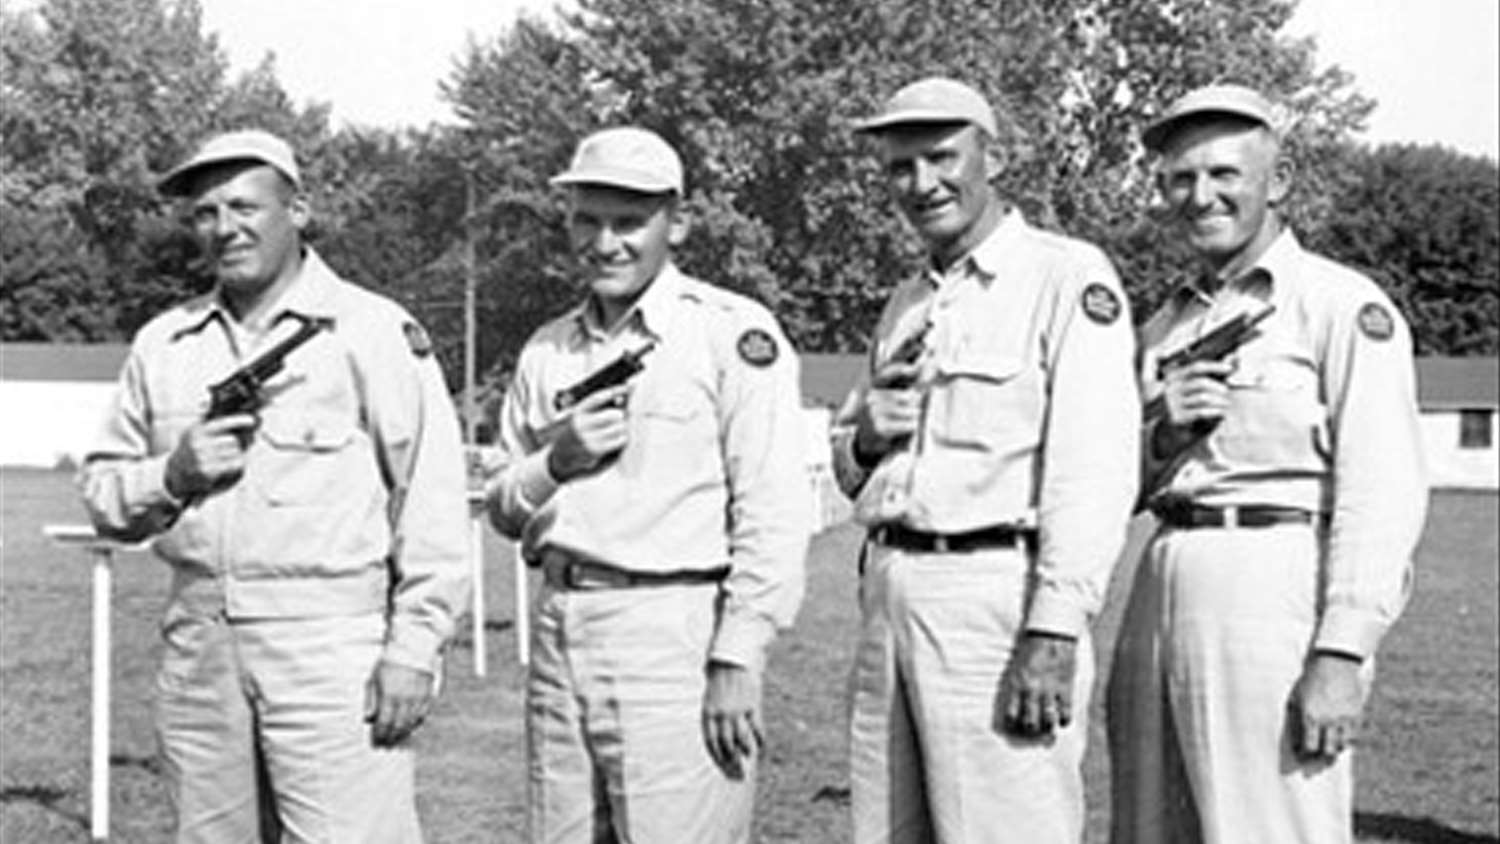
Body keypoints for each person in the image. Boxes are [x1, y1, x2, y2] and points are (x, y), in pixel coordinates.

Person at [80, 128, 472, 843]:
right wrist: (172, 474)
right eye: (205, 213)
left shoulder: (372, 330)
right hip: (200, 645)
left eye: (244, 206)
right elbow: (103, 494)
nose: (224, 228)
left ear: (298, 210)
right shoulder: (166, 344)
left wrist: (414, 649)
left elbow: (433, 500)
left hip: (330, 646)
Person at [1108, 84, 1428, 844]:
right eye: (1181, 179)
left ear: (1277, 181)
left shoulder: (1340, 306)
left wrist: (1341, 652)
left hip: (1275, 584)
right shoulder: (1166, 323)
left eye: (1225, 175)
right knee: (1152, 826)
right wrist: (1160, 433)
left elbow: (1380, 493)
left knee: (1271, 827)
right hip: (1161, 580)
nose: (1201, 196)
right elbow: (1110, 489)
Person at [831, 77, 1140, 843]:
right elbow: (849, 467)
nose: (922, 183)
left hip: (996, 604)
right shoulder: (906, 300)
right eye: (901, 167)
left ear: (993, 156)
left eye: (941, 157)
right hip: (890, 596)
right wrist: (865, 438)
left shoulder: (1066, 277)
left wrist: (1054, 630)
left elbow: (1094, 472)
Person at [483, 126, 810, 844]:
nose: (606, 243)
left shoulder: (728, 334)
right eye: (587, 220)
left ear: (678, 222)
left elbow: (774, 512)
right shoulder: (547, 348)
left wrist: (737, 655)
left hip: (675, 633)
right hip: (561, 622)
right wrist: (554, 463)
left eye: (629, 222)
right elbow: (504, 505)